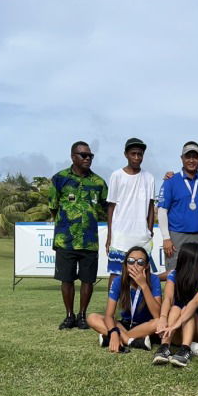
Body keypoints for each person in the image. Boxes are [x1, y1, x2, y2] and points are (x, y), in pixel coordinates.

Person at [50, 141, 107, 330]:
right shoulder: (59, 179)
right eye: (83, 155)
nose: (88, 158)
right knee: (66, 279)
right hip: (65, 240)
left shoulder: (99, 183)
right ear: (73, 156)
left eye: (90, 155)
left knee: (88, 280)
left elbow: (108, 209)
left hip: (89, 241)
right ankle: (69, 315)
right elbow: (53, 207)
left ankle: (82, 315)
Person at [87, 245, 160, 353]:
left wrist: (144, 285)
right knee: (92, 318)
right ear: (125, 265)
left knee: (159, 322)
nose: (134, 265)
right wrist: (114, 332)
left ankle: (114, 339)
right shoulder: (118, 281)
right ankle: (130, 341)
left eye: (140, 262)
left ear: (147, 266)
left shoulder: (154, 279)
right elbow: (109, 315)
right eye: (130, 261)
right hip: (124, 325)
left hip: (145, 327)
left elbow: (157, 315)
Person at [151, 242, 198, 368]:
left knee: (186, 308)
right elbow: (168, 298)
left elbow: (194, 303)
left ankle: (185, 350)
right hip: (175, 331)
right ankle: (164, 347)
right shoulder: (174, 275)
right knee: (174, 308)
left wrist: (174, 326)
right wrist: (163, 318)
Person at [105, 137, 157, 276]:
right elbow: (111, 207)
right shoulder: (116, 175)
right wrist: (110, 236)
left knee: (142, 276)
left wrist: (149, 231)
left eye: (140, 154)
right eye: (133, 154)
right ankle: (113, 299)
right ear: (125, 154)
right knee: (116, 275)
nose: (136, 157)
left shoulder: (149, 177)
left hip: (142, 237)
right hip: (120, 236)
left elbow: (151, 207)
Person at [157, 142, 198, 272]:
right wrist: (166, 238)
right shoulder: (171, 181)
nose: (191, 160)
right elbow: (162, 211)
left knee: (197, 275)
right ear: (182, 158)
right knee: (174, 275)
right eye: (188, 157)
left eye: (195, 157)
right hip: (176, 237)